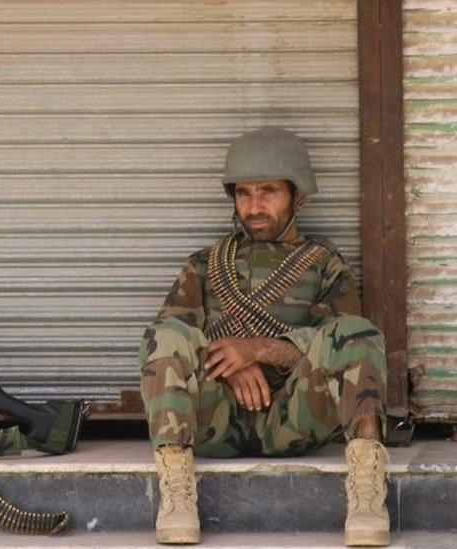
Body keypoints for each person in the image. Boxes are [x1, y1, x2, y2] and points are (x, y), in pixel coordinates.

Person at [138, 127, 390, 546]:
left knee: (359, 334)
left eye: (268, 191)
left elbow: (341, 347)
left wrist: (258, 349)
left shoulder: (324, 264)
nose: (254, 207)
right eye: (244, 193)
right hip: (218, 421)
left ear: (296, 195)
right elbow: (169, 347)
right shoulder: (204, 264)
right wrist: (233, 365)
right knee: (163, 336)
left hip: (296, 417)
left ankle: (366, 492)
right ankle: (177, 494)